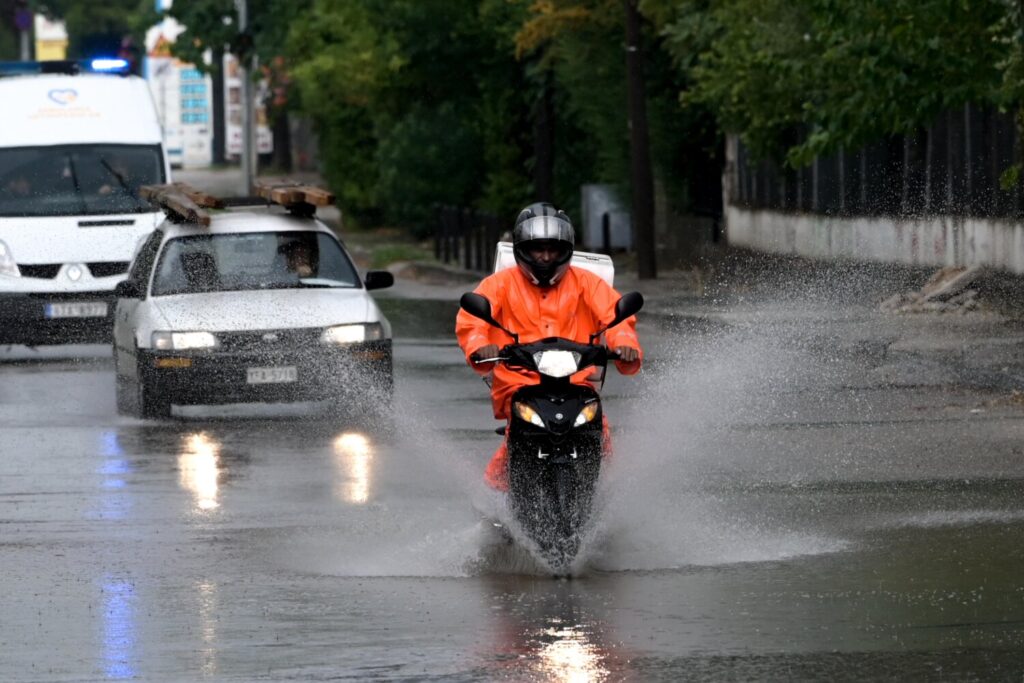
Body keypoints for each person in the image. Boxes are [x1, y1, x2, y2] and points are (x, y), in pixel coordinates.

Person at [455, 202, 643, 491]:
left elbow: (616, 316)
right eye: (537, 249)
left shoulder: (588, 284)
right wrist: (481, 346)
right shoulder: (499, 285)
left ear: (566, 249)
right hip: (518, 382)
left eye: (553, 249)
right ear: (521, 249)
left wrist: (625, 344)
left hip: (576, 381)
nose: (545, 257)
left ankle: (606, 498)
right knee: (515, 437)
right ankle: (493, 500)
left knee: (600, 433)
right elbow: (472, 320)